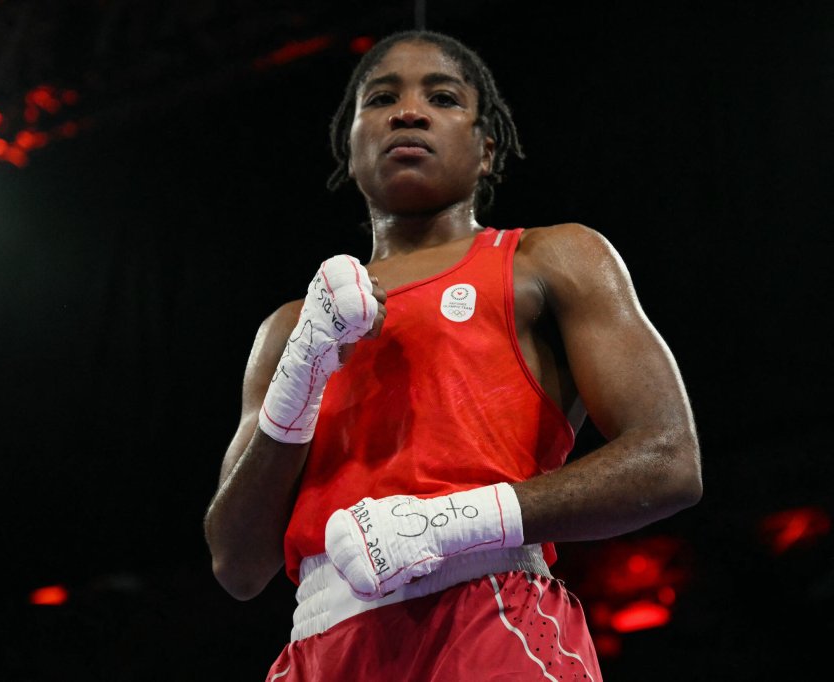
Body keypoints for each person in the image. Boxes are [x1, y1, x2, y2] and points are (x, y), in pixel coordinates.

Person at [204, 29, 701, 681]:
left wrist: (451, 522)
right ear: (348, 148)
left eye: (441, 96)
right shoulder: (290, 328)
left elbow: (668, 460)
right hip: (317, 649)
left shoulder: (546, 261)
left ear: (486, 148)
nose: (408, 111)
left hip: (486, 618)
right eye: (381, 98)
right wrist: (302, 370)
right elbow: (236, 565)